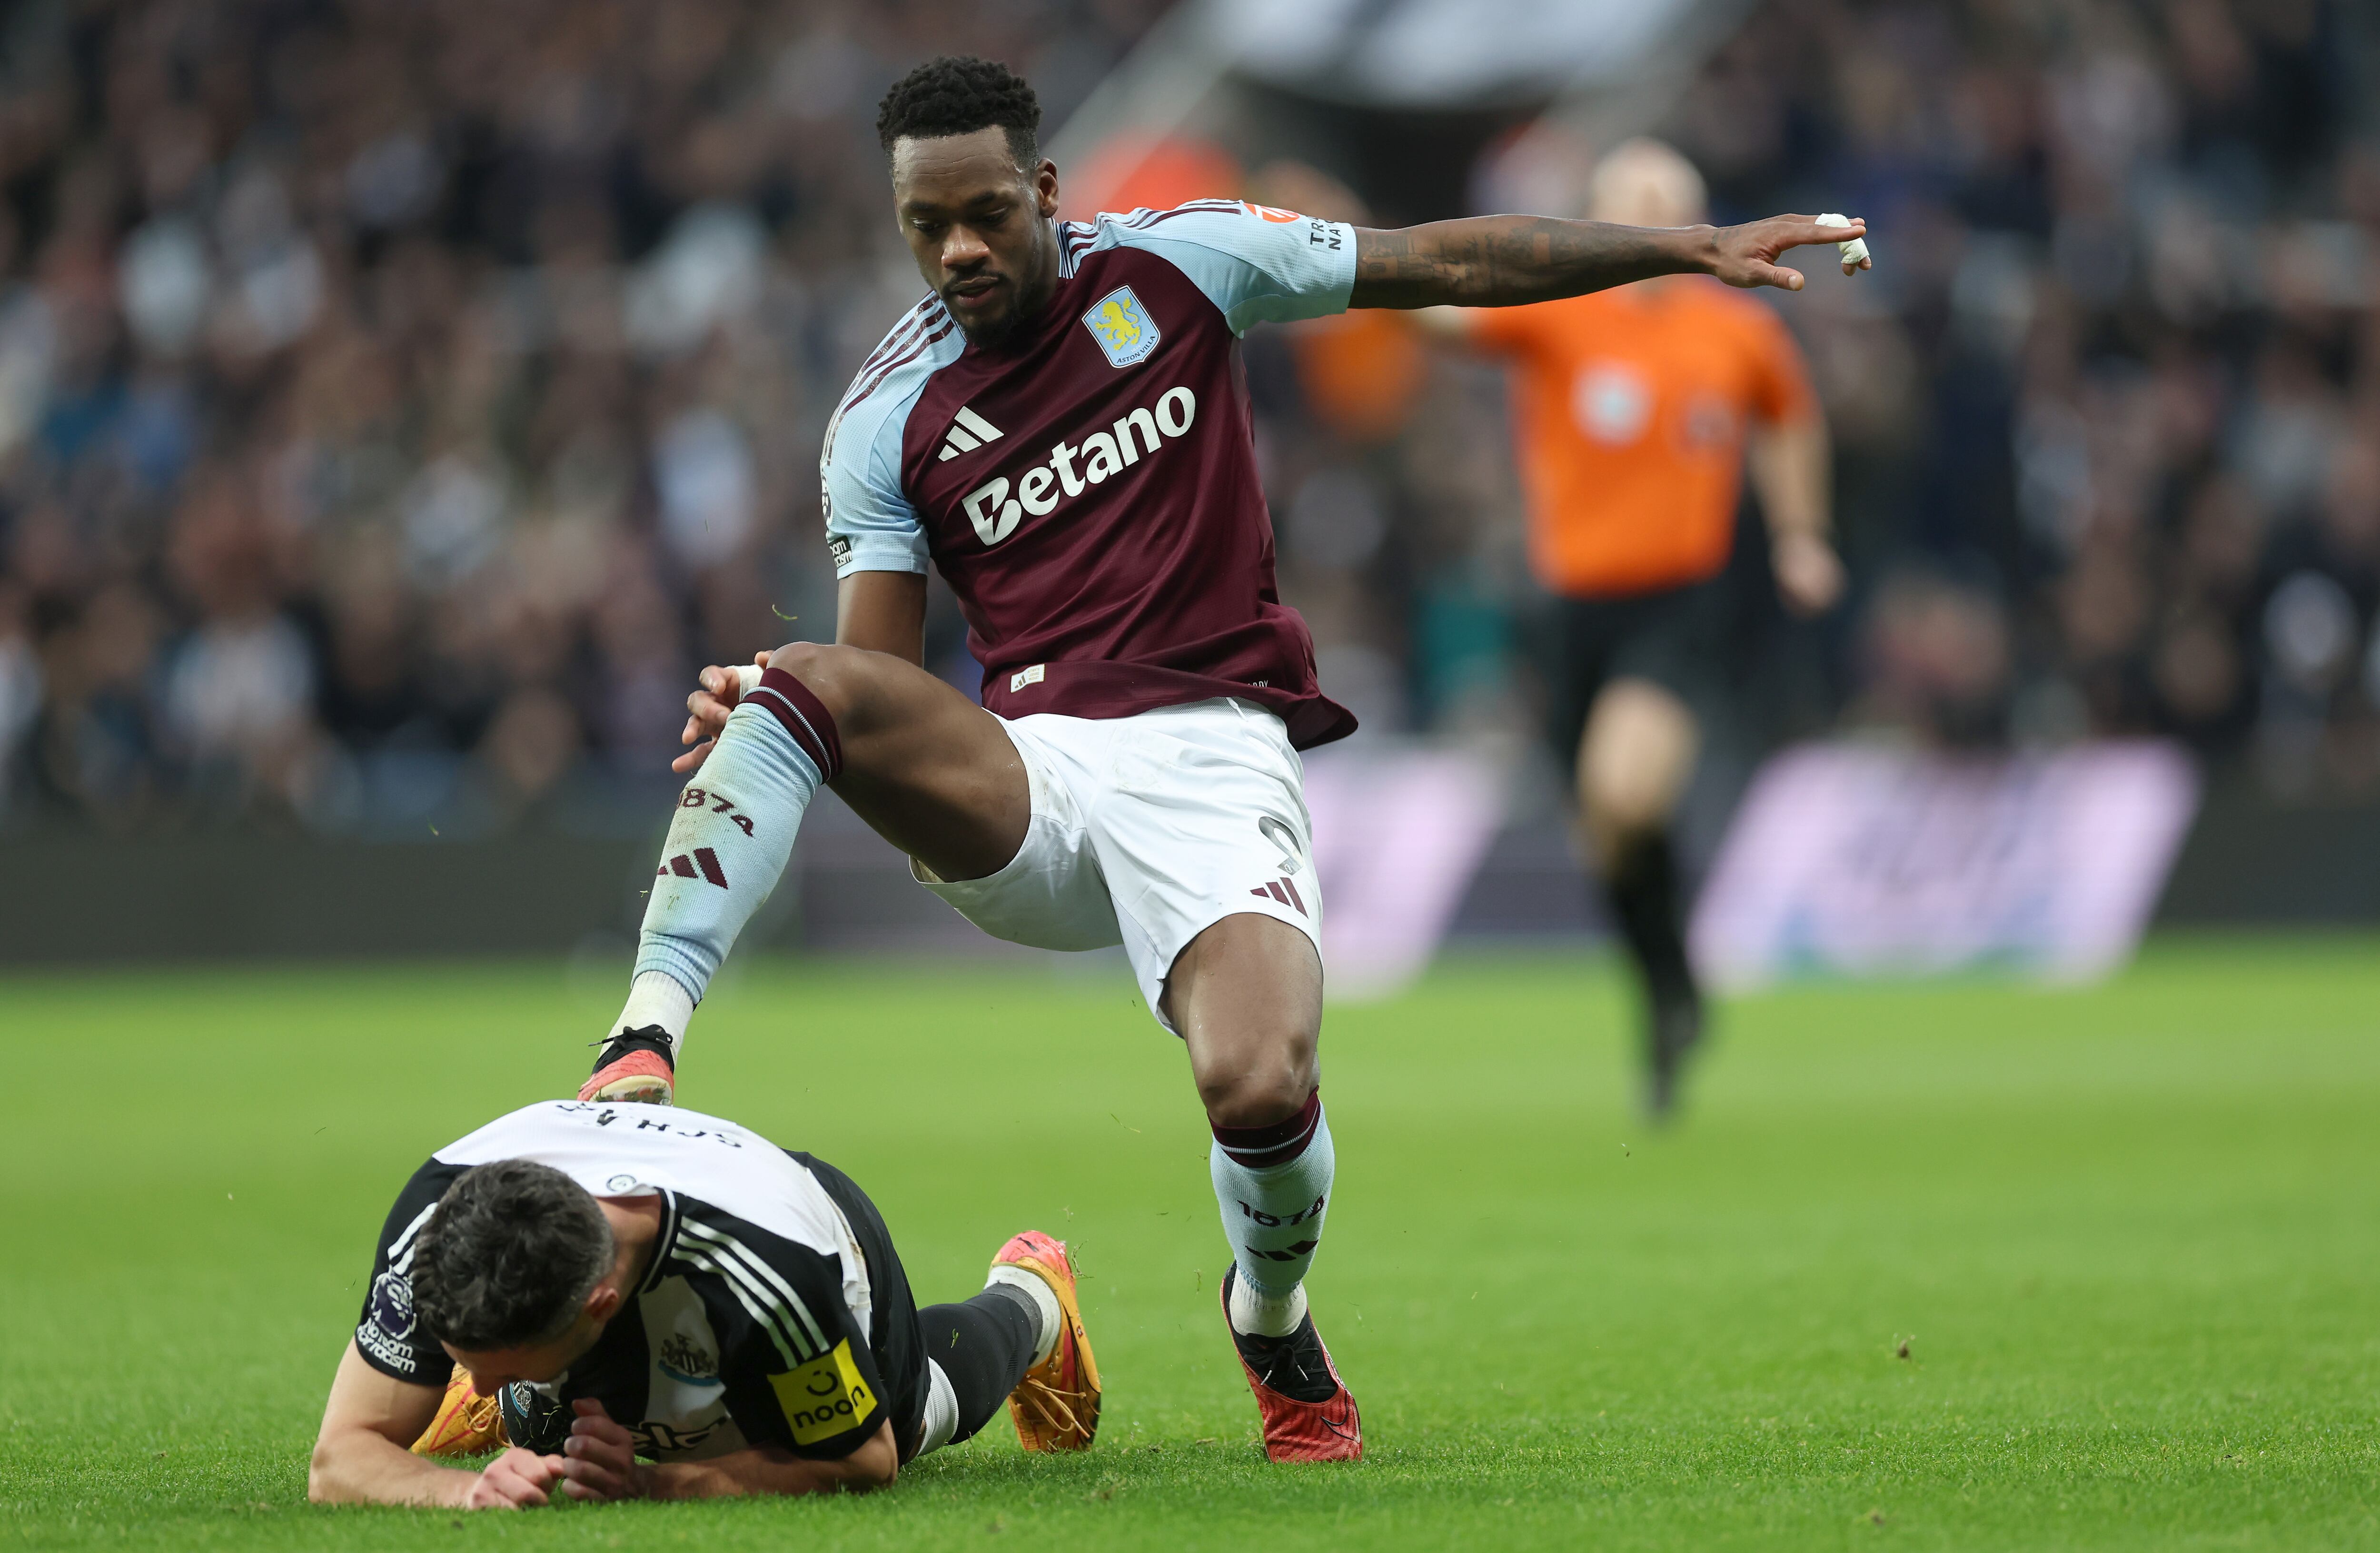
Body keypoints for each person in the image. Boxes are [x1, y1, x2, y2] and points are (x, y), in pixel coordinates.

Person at [577, 56, 1864, 1462]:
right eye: (925, 223)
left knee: (1258, 1084)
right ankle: (642, 1038)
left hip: (1210, 756)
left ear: (1046, 191)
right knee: (797, 678)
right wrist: (786, 717)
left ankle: (1270, 1310)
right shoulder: (884, 418)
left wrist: (1688, 251)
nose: (958, 249)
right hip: (1032, 775)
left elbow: (1443, 259)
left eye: (987, 213)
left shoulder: (1184, 264)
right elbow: (880, 679)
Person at [1444, 138, 1853, 1116]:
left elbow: (1788, 419)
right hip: (1569, 612)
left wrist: (1800, 533)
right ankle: (1669, 991)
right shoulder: (1559, 315)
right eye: (1630, 209)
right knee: (1606, 840)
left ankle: (1670, 991)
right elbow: (1439, 316)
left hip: (1678, 603)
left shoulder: (1735, 331)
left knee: (1622, 796)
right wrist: (1330, 267)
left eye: (1667, 208)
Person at [307, 1099, 1097, 1508]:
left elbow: (863, 1462)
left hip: (808, 1238)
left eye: (481, 1370)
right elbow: (339, 1458)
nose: (462, 1383)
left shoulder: (772, 1278)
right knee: (568, 1427)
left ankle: (1031, 1297)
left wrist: (657, 1484)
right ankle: (532, 1393)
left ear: (599, 1305)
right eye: (461, 1361)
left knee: (910, 1415)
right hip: (616, 1288)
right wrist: (463, 1491)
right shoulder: (439, 1215)